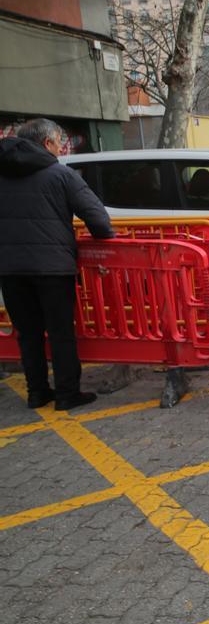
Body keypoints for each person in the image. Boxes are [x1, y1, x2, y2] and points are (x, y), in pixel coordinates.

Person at [0, 118, 114, 410]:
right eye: (57, 141)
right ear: (47, 143)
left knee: (28, 333)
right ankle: (67, 394)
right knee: (61, 332)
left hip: (10, 269)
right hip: (52, 268)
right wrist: (105, 238)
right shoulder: (59, 174)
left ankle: (37, 393)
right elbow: (98, 218)